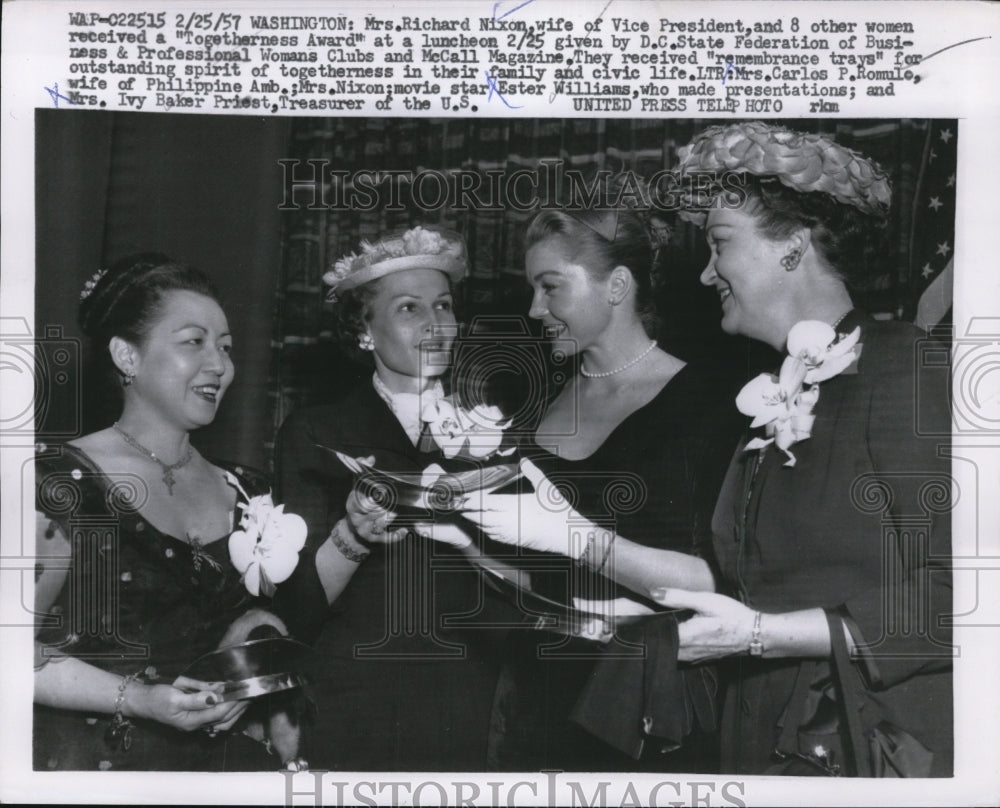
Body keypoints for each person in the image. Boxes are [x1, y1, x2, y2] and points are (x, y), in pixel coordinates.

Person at [469, 122, 953, 776]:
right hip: (757, 742)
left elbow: (960, 603)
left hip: (871, 751)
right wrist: (614, 605)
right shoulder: (771, 394)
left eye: (720, 244)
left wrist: (755, 634)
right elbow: (745, 589)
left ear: (794, 246)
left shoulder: (903, 369)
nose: (705, 273)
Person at [452, 204, 745, 771]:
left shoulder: (711, 403)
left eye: (550, 287)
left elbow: (723, 577)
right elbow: (531, 575)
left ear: (616, 285)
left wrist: (577, 537)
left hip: (643, 700)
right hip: (532, 696)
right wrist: (459, 534)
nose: (535, 309)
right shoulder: (530, 406)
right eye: (532, 289)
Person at [34, 254, 311, 771]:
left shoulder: (248, 489)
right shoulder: (58, 481)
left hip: (223, 771)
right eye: (194, 342)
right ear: (126, 356)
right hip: (97, 773)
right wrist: (139, 699)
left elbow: (265, 624)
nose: (220, 365)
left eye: (225, 348)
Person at [273, 225, 505, 771]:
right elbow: (296, 607)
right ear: (363, 331)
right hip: (357, 703)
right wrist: (352, 533)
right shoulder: (316, 432)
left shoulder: (498, 431)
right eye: (409, 309)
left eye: (444, 305)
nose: (436, 325)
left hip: (478, 703)